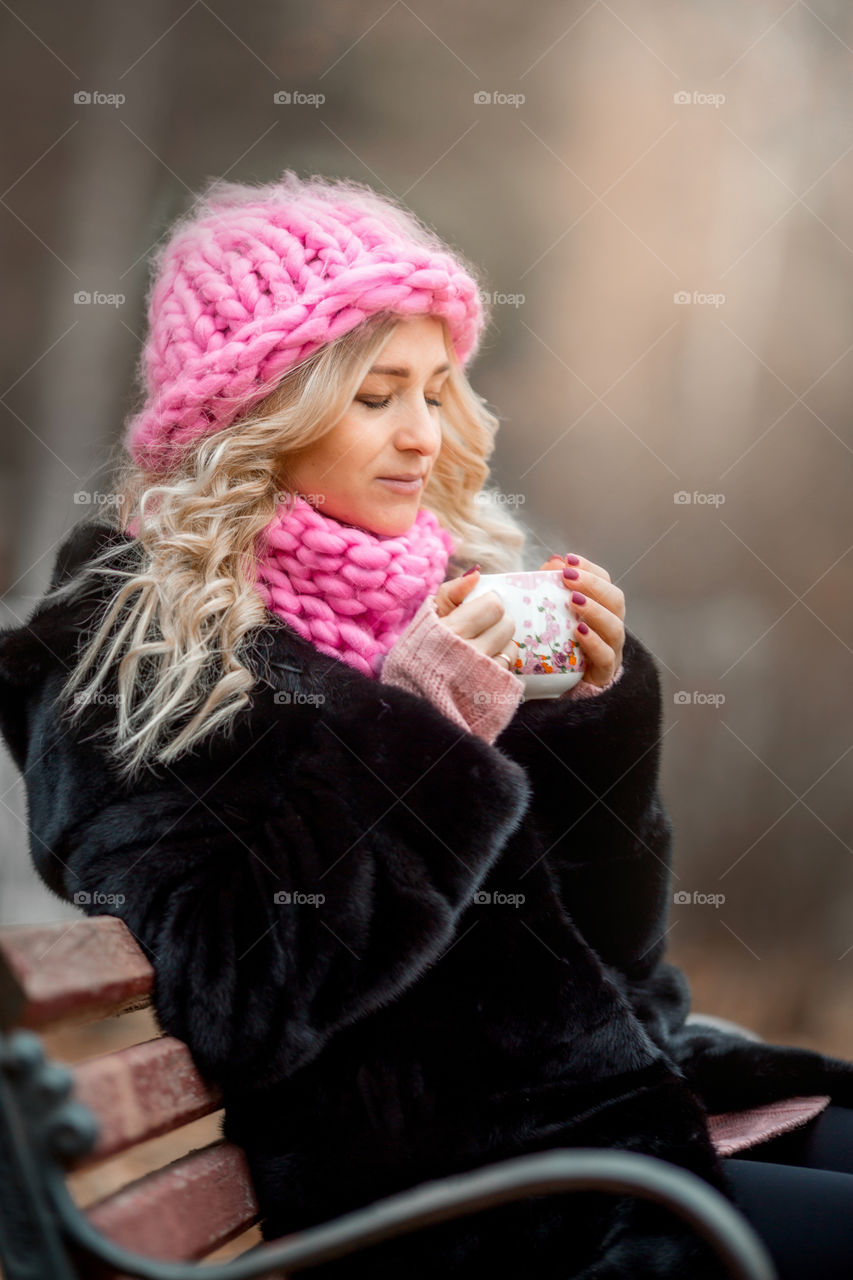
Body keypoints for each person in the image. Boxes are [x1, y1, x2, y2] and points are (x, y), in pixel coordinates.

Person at [1, 169, 853, 1279]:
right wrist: (425, 717)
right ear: (258, 414)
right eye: (376, 397)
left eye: (437, 391)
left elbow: (619, 961)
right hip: (470, 1201)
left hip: (618, 1112)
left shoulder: (433, 595)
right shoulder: (132, 655)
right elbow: (239, 997)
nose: (423, 436)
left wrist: (593, 722)